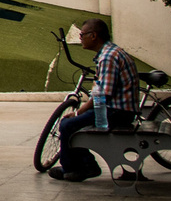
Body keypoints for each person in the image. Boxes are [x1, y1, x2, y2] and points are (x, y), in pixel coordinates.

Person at [48, 18, 140, 183]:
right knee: (74, 123)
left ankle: (73, 169)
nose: (80, 38)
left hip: (118, 112)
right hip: (116, 109)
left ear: (94, 36)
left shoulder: (108, 58)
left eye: (82, 34)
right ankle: (85, 164)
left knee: (67, 125)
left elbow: (103, 95)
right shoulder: (110, 52)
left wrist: (79, 112)